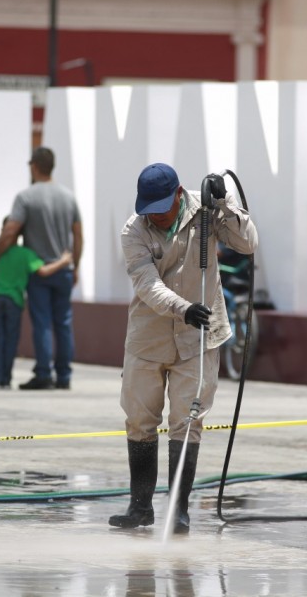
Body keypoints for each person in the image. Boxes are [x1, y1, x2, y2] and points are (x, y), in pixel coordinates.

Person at [109, 163, 258, 533]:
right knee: (139, 419)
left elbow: (247, 243)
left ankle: (179, 510)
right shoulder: (134, 230)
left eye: (162, 207)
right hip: (150, 337)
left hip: (200, 339)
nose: (156, 216)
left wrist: (225, 204)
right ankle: (140, 506)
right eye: (149, 210)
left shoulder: (205, 210)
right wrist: (183, 308)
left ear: (178, 194)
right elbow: (146, 283)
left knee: (186, 422)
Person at [0, 146, 83, 390]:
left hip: (38, 269)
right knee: (63, 322)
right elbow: (78, 234)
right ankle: (64, 376)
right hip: (63, 269)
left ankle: (43, 373)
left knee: (42, 322)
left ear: (33, 166)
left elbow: (10, 230)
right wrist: (76, 264)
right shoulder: (68, 196)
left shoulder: (26, 197)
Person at [0, 217, 73, 390]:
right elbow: (43, 271)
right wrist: (63, 261)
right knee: (10, 340)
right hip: (14, 300)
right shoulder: (25, 254)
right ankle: (5, 379)